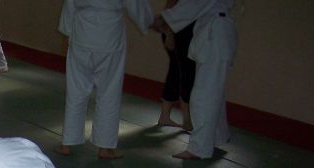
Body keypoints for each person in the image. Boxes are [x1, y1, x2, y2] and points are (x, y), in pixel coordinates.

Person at [57, 0, 154, 159]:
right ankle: (105, 147)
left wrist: (67, 31)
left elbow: (70, 4)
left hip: (82, 33)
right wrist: (150, 21)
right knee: (109, 93)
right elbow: (136, 4)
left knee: (76, 91)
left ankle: (66, 143)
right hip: (109, 35)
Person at [153, 0, 237, 159]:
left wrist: (164, 18)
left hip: (215, 36)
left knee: (203, 96)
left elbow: (193, 3)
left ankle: (198, 149)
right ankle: (218, 136)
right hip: (215, 35)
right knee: (214, 92)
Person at [157, 0, 195, 129]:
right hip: (177, 32)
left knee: (177, 71)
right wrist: (169, 34)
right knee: (186, 72)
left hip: (181, 31)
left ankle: (166, 116)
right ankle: (186, 118)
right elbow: (170, 7)